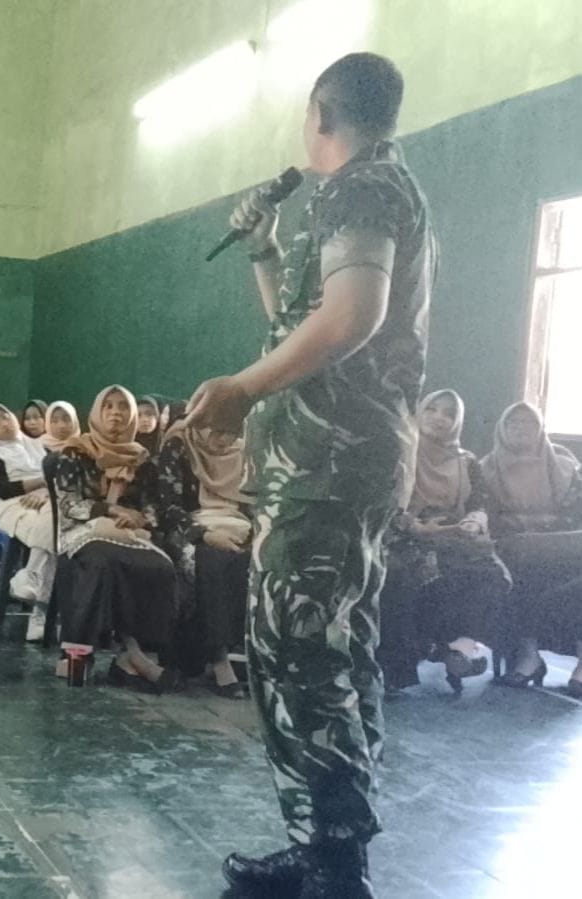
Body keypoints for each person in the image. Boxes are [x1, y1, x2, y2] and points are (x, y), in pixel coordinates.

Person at [187, 54, 434, 897]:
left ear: (320, 113)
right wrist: (265, 250)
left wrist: (240, 389)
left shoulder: (360, 187)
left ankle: (335, 861)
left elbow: (351, 318)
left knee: (298, 649)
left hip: (329, 464)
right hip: (339, 459)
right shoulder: (383, 187)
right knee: (333, 646)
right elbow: (306, 327)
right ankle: (325, 843)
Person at [377, 390, 509, 693]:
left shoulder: (466, 461)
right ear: (419, 412)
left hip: (452, 535)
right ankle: (405, 664)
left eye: (449, 413)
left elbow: (480, 502)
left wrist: (475, 520)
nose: (439, 417)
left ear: (458, 421)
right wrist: (416, 528)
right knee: (401, 574)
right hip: (402, 535)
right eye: (432, 409)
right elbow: (383, 501)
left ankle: (459, 647)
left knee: (491, 573)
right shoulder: (398, 452)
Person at [54, 385, 181, 693]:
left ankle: (133, 657)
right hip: (84, 528)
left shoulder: (142, 459)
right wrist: (109, 509)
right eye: (108, 406)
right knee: (100, 563)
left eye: (123, 407)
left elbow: (151, 506)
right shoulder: (75, 451)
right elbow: (68, 503)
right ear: (97, 412)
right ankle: (77, 657)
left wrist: (138, 518)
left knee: (160, 568)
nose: (115, 413)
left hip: (128, 531)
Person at [481, 402, 582, 698]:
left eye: (529, 423)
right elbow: (488, 516)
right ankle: (528, 656)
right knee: (518, 571)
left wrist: (540, 531)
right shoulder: (486, 468)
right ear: (501, 429)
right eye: (513, 423)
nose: (521, 428)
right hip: (515, 549)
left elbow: (576, 514)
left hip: (565, 546)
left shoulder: (566, 467)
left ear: (541, 429)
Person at [156, 415, 253, 699]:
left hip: (237, 525)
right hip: (189, 527)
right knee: (211, 560)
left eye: (232, 432)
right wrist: (204, 534)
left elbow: (255, 503)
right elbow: (168, 507)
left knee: (255, 559)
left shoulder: (244, 451)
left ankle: (250, 654)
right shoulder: (179, 444)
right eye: (218, 431)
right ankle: (220, 659)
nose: (225, 440)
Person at [0, 404, 55, 641]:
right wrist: (41, 483)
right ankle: (41, 614)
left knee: (55, 527)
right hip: (15, 505)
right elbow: (4, 490)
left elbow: (58, 480)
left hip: (47, 501)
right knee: (52, 532)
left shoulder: (40, 446)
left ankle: (30, 575)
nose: (4, 424)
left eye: (6, 417)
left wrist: (45, 493)